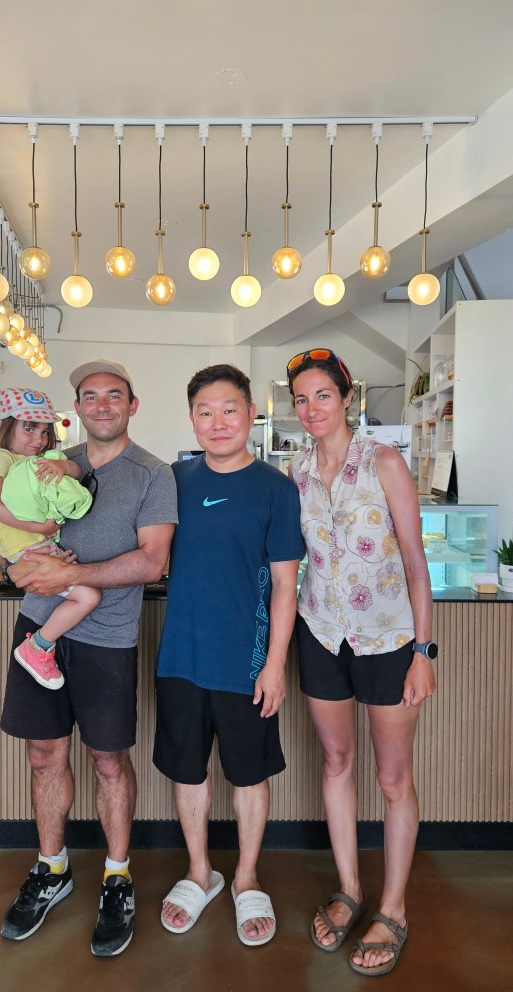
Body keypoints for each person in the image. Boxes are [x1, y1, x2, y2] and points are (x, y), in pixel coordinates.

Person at [0, 360, 177, 958]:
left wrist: (71, 574)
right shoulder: (50, 460)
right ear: (77, 407)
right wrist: (15, 565)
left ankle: (117, 876)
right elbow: (11, 528)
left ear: (132, 404)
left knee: (108, 759)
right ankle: (52, 868)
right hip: (39, 624)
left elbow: (152, 563)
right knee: (44, 752)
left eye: (114, 395)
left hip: (109, 637)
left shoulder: (153, 474)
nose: (102, 405)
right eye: (90, 396)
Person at [286, 348, 436, 977]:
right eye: (300, 398)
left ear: (346, 398)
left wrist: (423, 651)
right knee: (337, 761)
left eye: (322, 395)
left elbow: (414, 563)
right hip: (321, 635)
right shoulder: (292, 472)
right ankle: (349, 889)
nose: (312, 408)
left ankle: (393, 908)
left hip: (387, 638)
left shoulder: (384, 462)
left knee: (394, 779)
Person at [153, 364, 304, 947]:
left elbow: (286, 586)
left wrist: (274, 664)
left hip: (246, 661)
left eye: (230, 410)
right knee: (188, 771)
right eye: (205, 412)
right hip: (180, 657)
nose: (217, 423)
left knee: (249, 774)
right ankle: (200, 871)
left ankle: (245, 877)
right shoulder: (174, 478)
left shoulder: (275, 488)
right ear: (192, 418)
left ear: (250, 414)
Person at [0, 387, 100, 691]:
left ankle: (41, 645)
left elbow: (76, 469)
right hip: (26, 549)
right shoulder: (0, 458)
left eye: (45, 431)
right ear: (0, 426)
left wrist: (63, 466)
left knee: (85, 594)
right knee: (88, 597)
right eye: (29, 428)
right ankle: (38, 647)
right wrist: (41, 529)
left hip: (37, 546)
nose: (38, 439)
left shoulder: (36, 461)